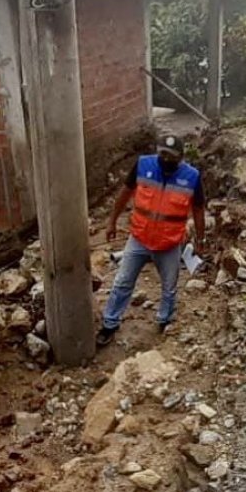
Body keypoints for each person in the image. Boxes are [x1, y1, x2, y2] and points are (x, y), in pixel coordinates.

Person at [97, 134, 206, 346]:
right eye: (162, 154)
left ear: (181, 157)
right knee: (122, 282)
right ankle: (109, 324)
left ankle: (164, 321)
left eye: (171, 156)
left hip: (169, 243)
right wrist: (111, 222)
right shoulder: (143, 165)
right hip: (139, 238)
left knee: (169, 287)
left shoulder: (192, 177)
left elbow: (199, 210)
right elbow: (124, 194)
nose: (165, 159)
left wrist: (200, 240)